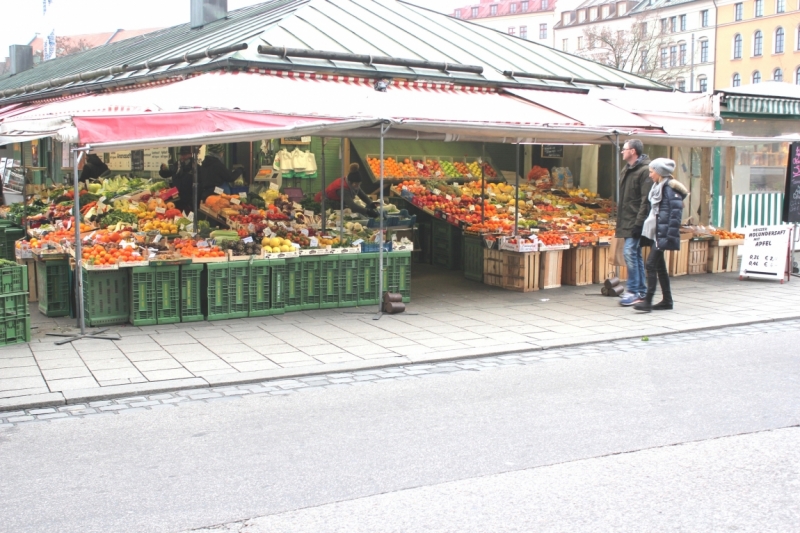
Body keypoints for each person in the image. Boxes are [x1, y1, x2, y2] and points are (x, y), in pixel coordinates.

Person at [634, 158, 688, 312]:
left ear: (659, 172)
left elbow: (674, 217)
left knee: (650, 264)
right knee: (659, 266)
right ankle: (667, 300)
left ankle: (648, 301)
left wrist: (664, 237)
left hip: (661, 233)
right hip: (655, 231)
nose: (650, 175)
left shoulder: (669, 190)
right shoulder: (658, 187)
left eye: (652, 172)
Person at [616, 139, 652, 307]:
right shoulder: (627, 169)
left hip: (635, 220)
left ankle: (633, 290)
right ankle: (640, 290)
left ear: (633, 151)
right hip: (627, 218)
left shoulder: (644, 171)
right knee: (634, 254)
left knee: (629, 252)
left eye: (625, 149)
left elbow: (645, 200)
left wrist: (639, 223)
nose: (622, 151)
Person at [159, 146, 194, 214]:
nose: (182, 157)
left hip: (187, 200)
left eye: (185, 155)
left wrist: (192, 203)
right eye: (181, 155)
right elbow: (168, 173)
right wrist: (163, 170)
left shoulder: (194, 167)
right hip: (175, 197)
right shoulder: (177, 164)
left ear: (191, 154)